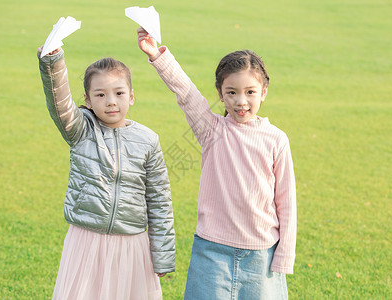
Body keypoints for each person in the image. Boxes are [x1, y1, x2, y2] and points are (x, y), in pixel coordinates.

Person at [137, 28, 296, 300]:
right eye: (231, 92)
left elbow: (287, 202)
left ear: (264, 92)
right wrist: (157, 55)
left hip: (261, 255)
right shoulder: (212, 130)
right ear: (221, 94)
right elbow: (186, 93)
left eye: (250, 92)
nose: (241, 101)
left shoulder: (276, 139)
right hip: (211, 252)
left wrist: (283, 257)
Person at [37, 45, 175, 300]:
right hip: (87, 241)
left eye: (119, 93)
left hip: (131, 244)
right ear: (88, 100)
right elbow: (60, 104)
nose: (111, 101)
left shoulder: (148, 140)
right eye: (100, 95)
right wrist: (52, 61)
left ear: (131, 96)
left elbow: (159, 199)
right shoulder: (81, 131)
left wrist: (162, 254)